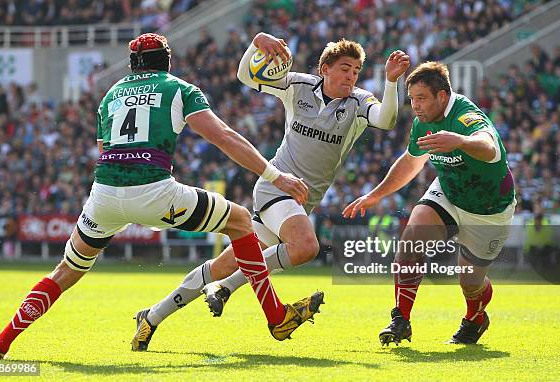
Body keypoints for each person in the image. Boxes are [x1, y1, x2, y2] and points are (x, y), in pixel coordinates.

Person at [0, 33, 319, 360]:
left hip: (104, 196)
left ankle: (1, 343)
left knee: (67, 270)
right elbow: (224, 137)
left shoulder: (110, 96)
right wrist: (275, 176)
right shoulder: (178, 88)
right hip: (155, 191)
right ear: (167, 61)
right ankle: (276, 317)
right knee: (241, 221)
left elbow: (105, 151)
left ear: (133, 64)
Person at [133, 31, 409, 349]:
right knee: (306, 246)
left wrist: (390, 82)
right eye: (345, 68)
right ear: (325, 69)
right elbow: (244, 75)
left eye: (357, 71)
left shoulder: (359, 102)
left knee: (225, 265)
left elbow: (386, 120)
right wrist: (257, 42)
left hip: (300, 202)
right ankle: (230, 290)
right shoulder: (299, 85)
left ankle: (152, 315)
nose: (351, 76)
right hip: (275, 187)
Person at [342, 61, 516, 345]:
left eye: (421, 98)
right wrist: (377, 194)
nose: (415, 106)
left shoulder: (465, 117)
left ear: (442, 97)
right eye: (412, 99)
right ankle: (401, 319)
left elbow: (490, 148)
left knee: (470, 283)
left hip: (489, 208)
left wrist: (459, 141)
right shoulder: (421, 123)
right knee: (412, 240)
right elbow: (411, 162)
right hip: (448, 192)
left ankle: (475, 317)